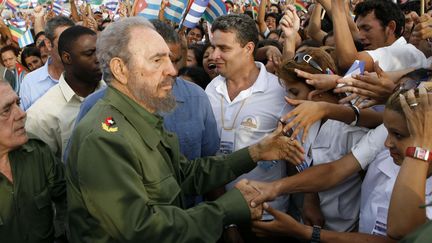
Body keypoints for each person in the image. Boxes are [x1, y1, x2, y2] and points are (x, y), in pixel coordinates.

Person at [66, 17, 304, 243]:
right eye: (157, 60)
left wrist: (255, 152)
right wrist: (229, 208)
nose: (172, 70)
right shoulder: (103, 138)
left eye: (170, 59)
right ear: (120, 69)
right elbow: (142, 229)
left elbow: (184, 174)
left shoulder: (142, 117)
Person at [205, 14, 293, 242]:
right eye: (213, 47)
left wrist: (310, 200)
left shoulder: (279, 91)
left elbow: (296, 155)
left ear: (248, 48)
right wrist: (227, 220)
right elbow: (207, 160)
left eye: (224, 48)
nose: (214, 56)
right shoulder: (210, 89)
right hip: (221, 214)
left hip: (267, 216)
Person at [0, 80, 66, 242]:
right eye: (6, 110)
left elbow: (69, 200)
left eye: (18, 103)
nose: (21, 114)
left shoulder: (38, 152)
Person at [25, 26, 104, 159]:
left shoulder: (114, 93)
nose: (99, 59)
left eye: (101, 52)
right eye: (90, 53)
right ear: (67, 58)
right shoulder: (41, 116)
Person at [331, 0, 428, 72]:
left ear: (390, 27)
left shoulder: (407, 52)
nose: (360, 36)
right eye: (359, 29)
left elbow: (349, 62)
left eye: (367, 28)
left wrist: (337, 6)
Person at [19, 16, 74, 111]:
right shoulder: (30, 83)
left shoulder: (87, 75)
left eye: (73, 39)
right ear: (48, 44)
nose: (70, 45)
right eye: (63, 40)